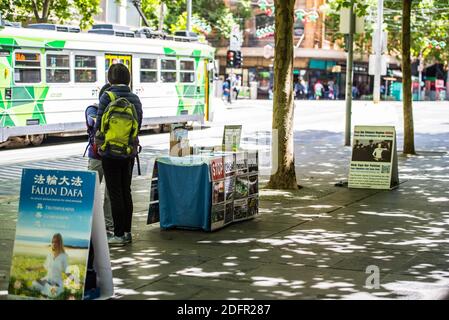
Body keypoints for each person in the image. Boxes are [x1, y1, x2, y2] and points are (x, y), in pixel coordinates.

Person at [94, 63, 143, 246]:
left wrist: (99, 146)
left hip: (109, 152)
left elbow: (99, 125)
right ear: (128, 78)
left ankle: (118, 234)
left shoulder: (107, 96)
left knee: (114, 192)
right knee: (126, 191)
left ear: (110, 79)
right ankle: (127, 232)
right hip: (129, 152)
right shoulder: (135, 98)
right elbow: (139, 124)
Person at [85, 83, 113, 235]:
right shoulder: (94, 109)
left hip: (102, 156)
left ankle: (101, 223)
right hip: (105, 157)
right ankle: (100, 224)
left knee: (101, 192)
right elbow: (94, 124)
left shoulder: (94, 110)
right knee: (100, 192)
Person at [31, 233, 70, 298]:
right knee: (34, 284)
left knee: (52, 291)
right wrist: (32, 269)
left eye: (56, 242)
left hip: (56, 281)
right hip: (47, 279)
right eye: (52, 242)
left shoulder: (64, 256)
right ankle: (46, 286)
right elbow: (44, 266)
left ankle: (47, 289)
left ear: (60, 243)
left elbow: (67, 272)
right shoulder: (49, 254)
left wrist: (76, 280)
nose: (54, 244)